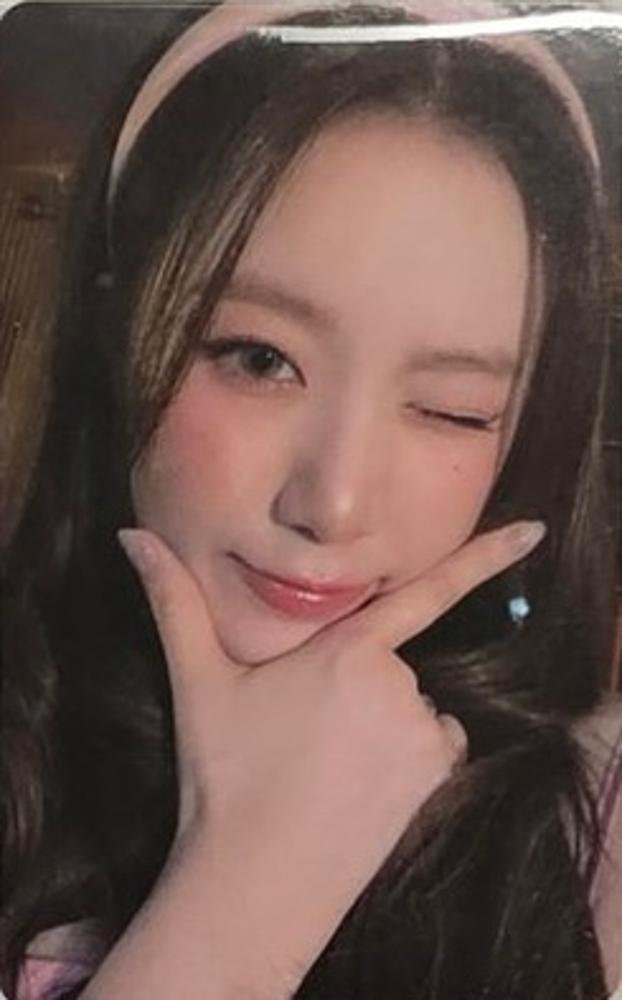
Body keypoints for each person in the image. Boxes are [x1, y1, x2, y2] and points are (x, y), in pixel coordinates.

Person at [1, 1, 621, 997]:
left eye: (452, 409)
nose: (332, 503)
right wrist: (242, 896)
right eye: (258, 359)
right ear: (114, 332)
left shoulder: (589, 835)